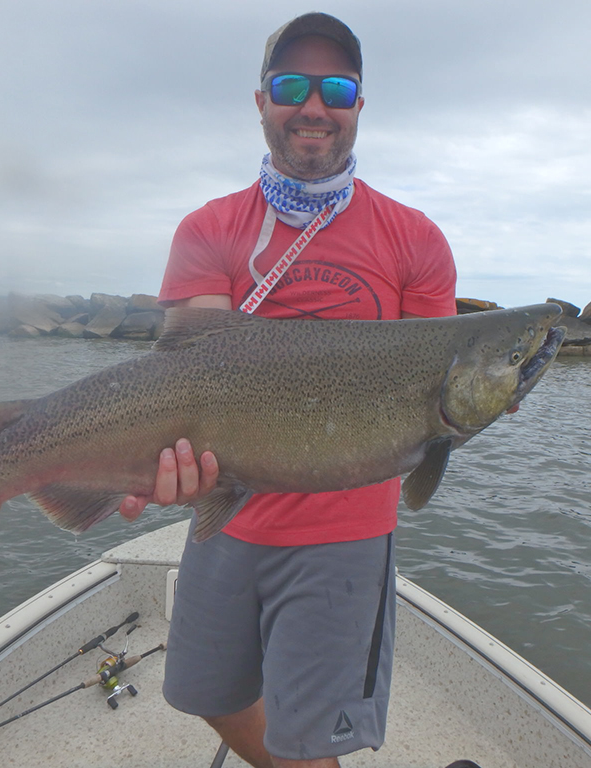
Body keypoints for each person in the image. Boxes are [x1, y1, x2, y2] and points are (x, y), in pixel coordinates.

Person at [120, 13, 457, 768]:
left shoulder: (416, 241)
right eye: (291, 85)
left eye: (336, 87)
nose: (314, 106)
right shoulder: (209, 229)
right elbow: (189, 372)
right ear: (261, 100)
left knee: (309, 744)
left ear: (360, 105)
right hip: (227, 517)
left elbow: (440, 377)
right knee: (204, 692)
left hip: (346, 534)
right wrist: (153, 458)